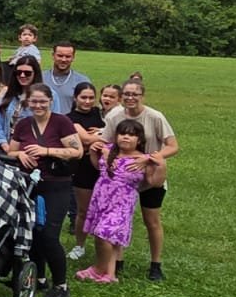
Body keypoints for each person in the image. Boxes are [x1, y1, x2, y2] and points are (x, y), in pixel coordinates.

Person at [6, 84, 84, 297]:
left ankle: (61, 284)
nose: (38, 105)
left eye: (42, 101)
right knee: (31, 234)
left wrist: (47, 151)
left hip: (56, 185)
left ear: (50, 101)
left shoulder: (61, 122)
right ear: (28, 103)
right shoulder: (23, 124)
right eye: (34, 101)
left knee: (49, 235)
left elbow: (77, 151)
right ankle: (39, 277)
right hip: (29, 185)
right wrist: (20, 154)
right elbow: (11, 150)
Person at [101, 79, 178, 281]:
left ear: (142, 96)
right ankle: (117, 262)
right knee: (118, 218)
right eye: (126, 94)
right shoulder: (114, 115)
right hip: (123, 179)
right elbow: (105, 143)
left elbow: (172, 146)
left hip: (151, 177)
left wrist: (148, 158)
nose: (130, 98)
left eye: (135, 94)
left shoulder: (155, 117)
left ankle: (156, 264)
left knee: (151, 220)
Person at [78, 119, 163, 283]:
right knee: (112, 238)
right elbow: (98, 167)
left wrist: (161, 165)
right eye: (122, 134)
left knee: (104, 234)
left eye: (131, 135)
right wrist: (96, 152)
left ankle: (98, 269)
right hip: (102, 198)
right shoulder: (108, 150)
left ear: (139, 139)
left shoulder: (143, 159)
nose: (126, 137)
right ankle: (110, 274)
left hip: (122, 203)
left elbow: (154, 182)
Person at [66, 82, 107, 260]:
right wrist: (101, 135)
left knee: (104, 210)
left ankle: (105, 245)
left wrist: (100, 134)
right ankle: (79, 245)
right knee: (83, 210)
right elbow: (85, 138)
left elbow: (116, 133)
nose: (87, 101)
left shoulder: (101, 114)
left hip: (105, 167)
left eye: (91, 98)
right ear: (75, 98)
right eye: (83, 97)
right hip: (83, 169)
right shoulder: (69, 118)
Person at [0, 55, 44, 153]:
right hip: (6, 150)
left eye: (27, 73)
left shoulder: (47, 96)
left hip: (33, 151)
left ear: (35, 74)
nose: (22, 75)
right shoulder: (6, 95)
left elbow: (52, 125)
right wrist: (6, 148)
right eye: (18, 72)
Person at [42, 42, 90, 114]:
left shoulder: (82, 81)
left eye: (68, 56)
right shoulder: (40, 78)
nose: (63, 60)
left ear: (73, 57)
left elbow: (87, 108)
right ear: (53, 56)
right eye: (60, 56)